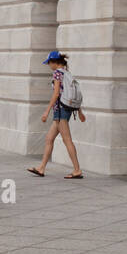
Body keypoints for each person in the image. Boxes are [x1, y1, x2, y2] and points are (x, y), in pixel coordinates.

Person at [27, 50, 85, 179]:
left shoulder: (57, 73)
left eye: (49, 63)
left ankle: (77, 170)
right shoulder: (67, 73)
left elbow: (56, 93)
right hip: (66, 109)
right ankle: (41, 168)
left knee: (67, 139)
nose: (49, 66)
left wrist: (46, 111)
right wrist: (79, 111)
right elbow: (71, 93)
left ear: (54, 62)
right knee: (49, 139)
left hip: (60, 111)